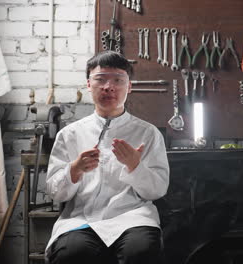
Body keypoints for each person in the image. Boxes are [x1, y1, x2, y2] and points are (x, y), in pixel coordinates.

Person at [45, 51, 169, 264]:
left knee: (140, 252)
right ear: (88, 85)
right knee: (72, 254)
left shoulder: (148, 134)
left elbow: (157, 190)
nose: (108, 87)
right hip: (81, 219)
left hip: (133, 218)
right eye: (100, 79)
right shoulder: (70, 134)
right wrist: (74, 170)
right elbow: (56, 193)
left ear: (129, 87)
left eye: (118, 80)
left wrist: (134, 166)